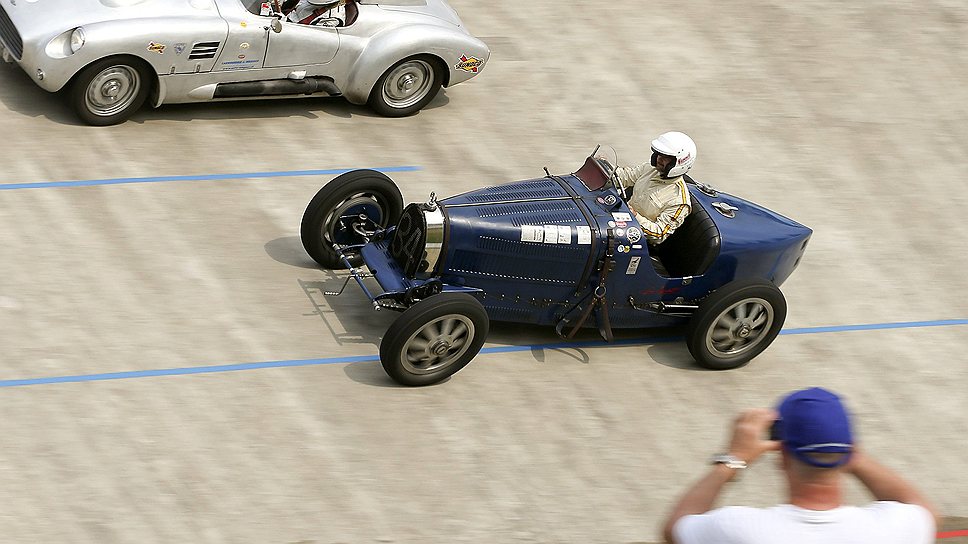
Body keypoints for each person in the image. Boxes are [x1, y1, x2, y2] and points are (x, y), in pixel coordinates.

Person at [662, 387, 939, 544]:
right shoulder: (896, 529)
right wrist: (853, 456)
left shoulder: (739, 530)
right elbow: (922, 510)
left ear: (781, 456)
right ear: (848, 453)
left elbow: (676, 527)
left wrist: (732, 460)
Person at [613, 131, 696, 245]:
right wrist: (605, 169)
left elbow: (659, 234)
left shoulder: (679, 201)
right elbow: (624, 177)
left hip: (636, 238)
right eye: (659, 154)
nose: (659, 159)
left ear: (678, 163)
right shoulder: (650, 169)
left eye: (666, 157)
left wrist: (634, 215)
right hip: (620, 216)